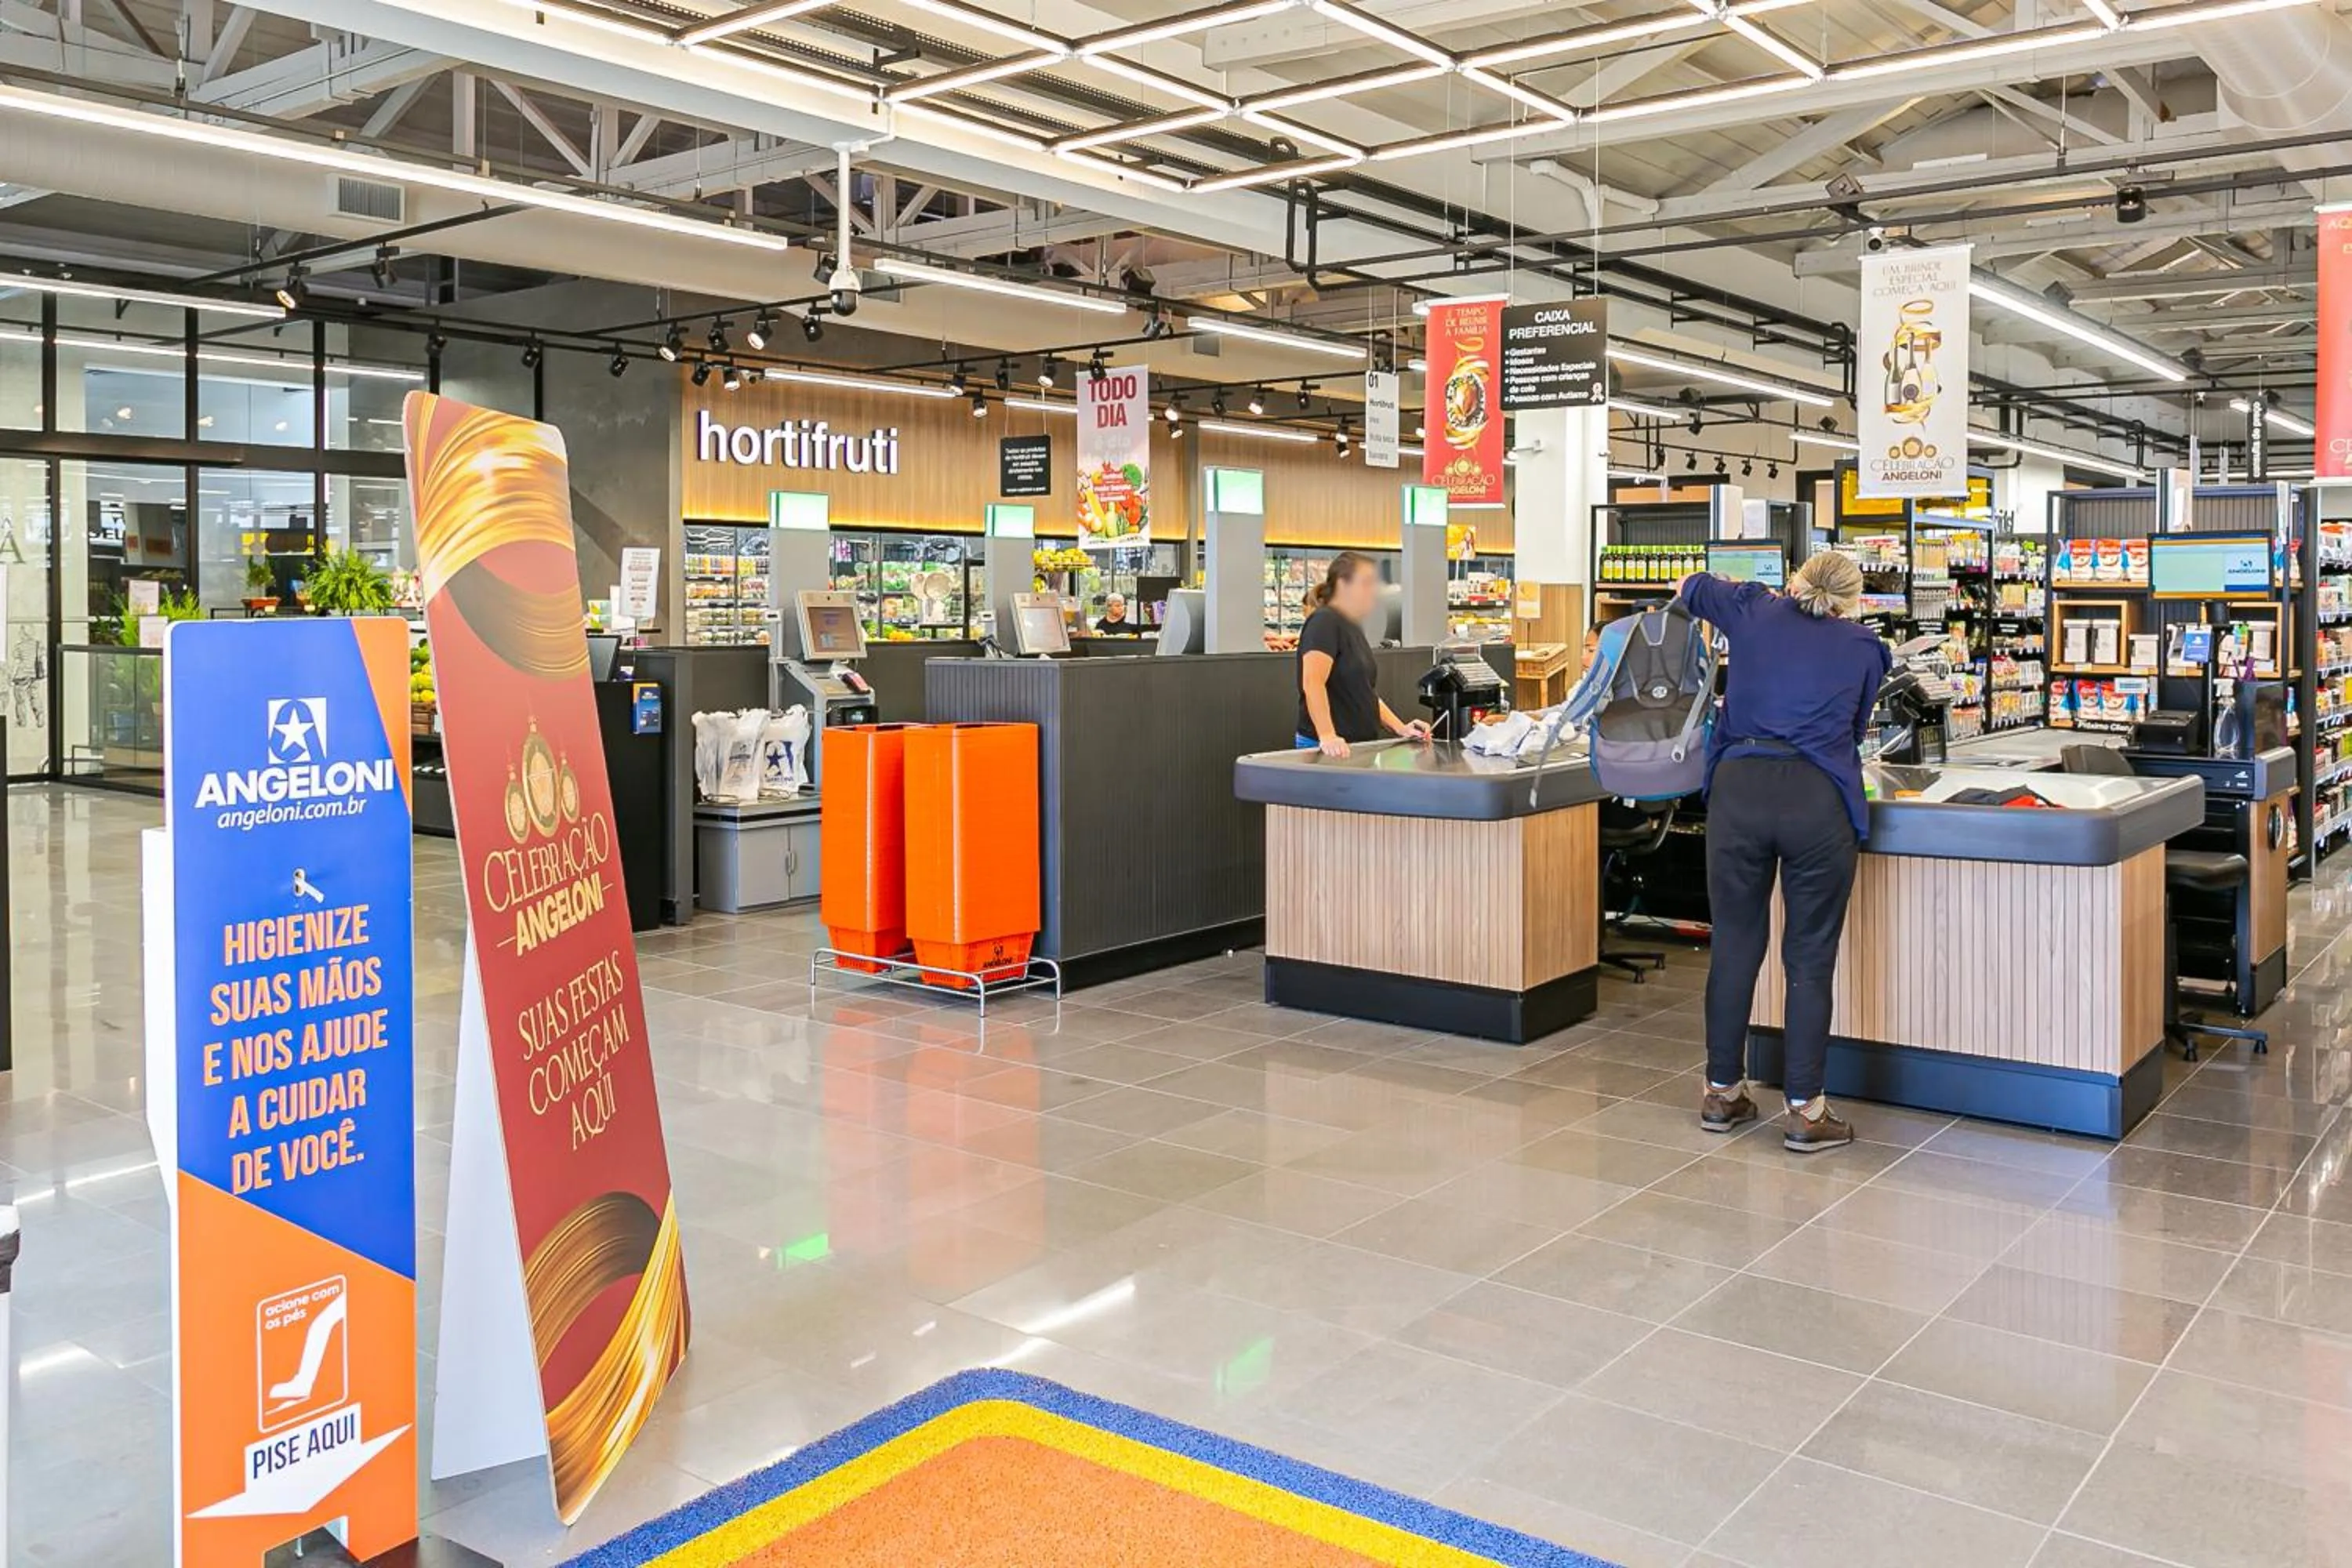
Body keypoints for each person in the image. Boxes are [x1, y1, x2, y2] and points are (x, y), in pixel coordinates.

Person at [1677, 553, 1889, 1152]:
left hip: (1739, 794)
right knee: (1809, 956)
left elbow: (1687, 586)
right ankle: (1806, 1109)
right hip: (1818, 801)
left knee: (1736, 944)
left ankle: (1721, 1091)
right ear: (1852, 599)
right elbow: (1854, 728)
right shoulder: (1865, 647)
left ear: (1794, 578)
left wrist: (1748, 596)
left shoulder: (1750, 609)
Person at [1297, 551, 1430, 755]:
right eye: (1366, 583)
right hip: (1329, 750)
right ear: (1343, 585)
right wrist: (1327, 735)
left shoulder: (1351, 626)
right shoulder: (1324, 622)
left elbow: (1364, 692)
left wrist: (1400, 728)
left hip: (1356, 747)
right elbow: (1312, 681)